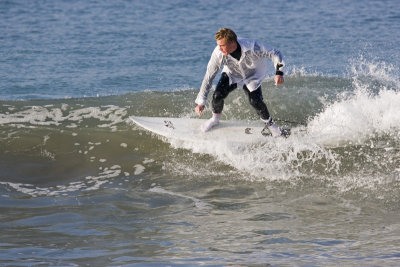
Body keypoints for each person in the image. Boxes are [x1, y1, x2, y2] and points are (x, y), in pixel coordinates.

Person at [194, 28, 285, 137]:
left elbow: (275, 53)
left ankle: (270, 125)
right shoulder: (218, 53)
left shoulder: (253, 47)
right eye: (218, 45)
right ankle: (215, 119)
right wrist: (201, 101)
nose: (219, 48)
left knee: (255, 101)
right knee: (217, 96)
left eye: (222, 45)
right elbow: (208, 77)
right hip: (232, 74)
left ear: (232, 42)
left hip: (253, 75)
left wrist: (279, 73)